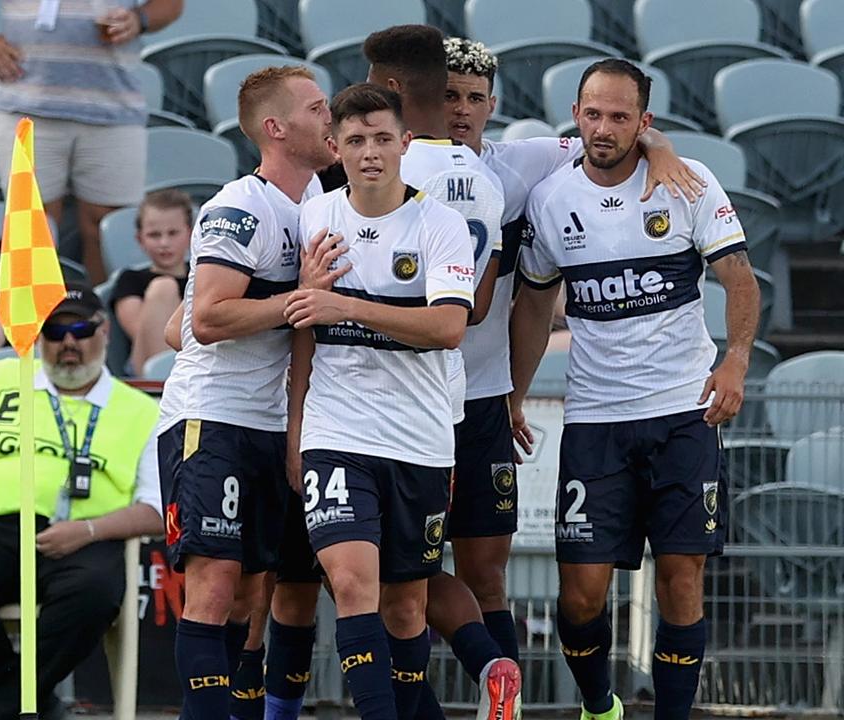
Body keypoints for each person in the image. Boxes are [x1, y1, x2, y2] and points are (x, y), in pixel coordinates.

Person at [510, 59, 759, 720]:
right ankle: (601, 707)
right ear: (576, 114)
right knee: (580, 596)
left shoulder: (686, 182)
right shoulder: (552, 199)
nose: (604, 127)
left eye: (621, 117)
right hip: (597, 420)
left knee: (683, 579)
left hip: (683, 415)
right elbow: (534, 305)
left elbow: (738, 277)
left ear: (643, 122)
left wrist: (735, 361)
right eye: (593, 113)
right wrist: (515, 392)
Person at [286, 82, 480, 720]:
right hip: (337, 433)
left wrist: (343, 303)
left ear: (404, 144)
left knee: (406, 609)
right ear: (336, 149)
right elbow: (305, 335)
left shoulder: (440, 226)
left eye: (381, 139)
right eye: (356, 140)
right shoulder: (315, 217)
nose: (370, 152)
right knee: (349, 583)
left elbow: (448, 327)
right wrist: (296, 431)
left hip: (420, 440)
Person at [157, 64, 341, 720]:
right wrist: (302, 298)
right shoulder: (243, 204)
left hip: (271, 424)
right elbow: (205, 320)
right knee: (213, 588)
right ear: (276, 128)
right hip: (212, 417)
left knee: (250, 599)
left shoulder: (320, 200)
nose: (332, 119)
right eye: (318, 109)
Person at [362, 25, 525, 720]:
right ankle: (495, 672)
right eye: (452, 93)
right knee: (435, 574)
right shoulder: (486, 181)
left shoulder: (377, 172)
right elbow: (479, 303)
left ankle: (423, 702)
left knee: (398, 578)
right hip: (459, 393)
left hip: (393, 404)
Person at [0, 280, 164, 720]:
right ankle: (29, 703)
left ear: (104, 332)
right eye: (54, 331)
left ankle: (3, 707)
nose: (69, 342)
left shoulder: (141, 410)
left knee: (94, 594)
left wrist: (88, 531)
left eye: (82, 329)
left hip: (82, 538)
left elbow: (156, 509)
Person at [0, 0, 183, 284]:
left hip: (114, 108)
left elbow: (172, 5)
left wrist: (139, 19)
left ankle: (99, 322)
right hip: (27, 104)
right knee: (34, 228)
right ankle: (36, 325)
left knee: (106, 229)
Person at [110, 188, 191, 374]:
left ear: (190, 234)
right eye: (154, 235)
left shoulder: (202, 275)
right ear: (140, 239)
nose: (164, 243)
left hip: (197, 359)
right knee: (164, 287)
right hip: (146, 367)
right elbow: (141, 331)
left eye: (173, 233)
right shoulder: (130, 279)